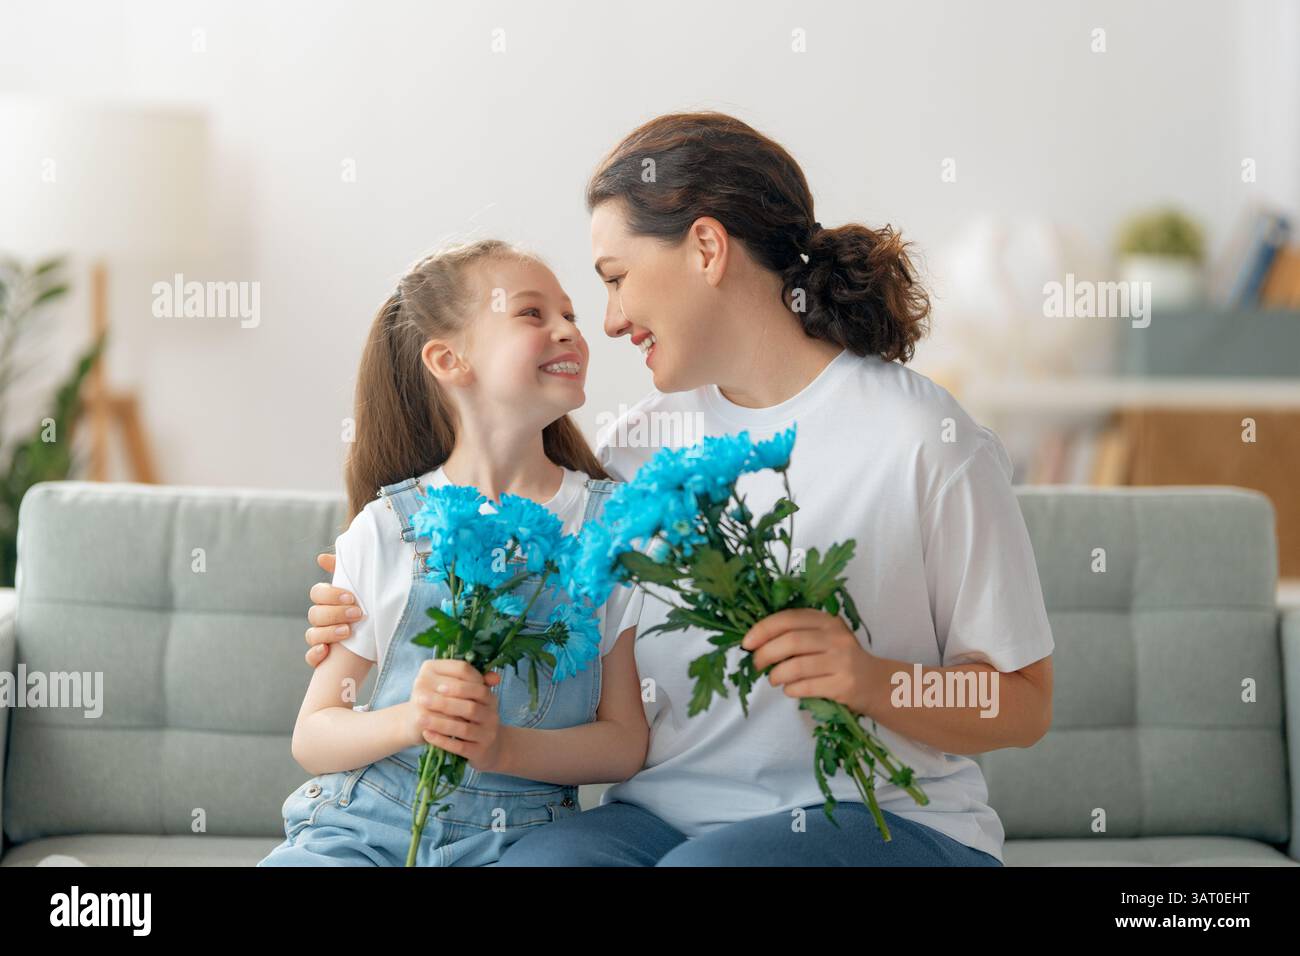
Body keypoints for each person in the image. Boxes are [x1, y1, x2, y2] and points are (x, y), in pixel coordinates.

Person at [307, 113, 1054, 866]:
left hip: (885, 819)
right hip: (655, 820)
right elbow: (514, 579)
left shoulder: (923, 440)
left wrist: (869, 680)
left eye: (615, 279)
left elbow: (1022, 704)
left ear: (705, 247)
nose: (609, 320)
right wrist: (369, 598)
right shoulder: (633, 452)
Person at [261, 240, 646, 865]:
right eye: (532, 314)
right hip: (361, 827)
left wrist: (502, 748)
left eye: (570, 315)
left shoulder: (609, 529)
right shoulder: (386, 528)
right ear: (448, 358)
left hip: (524, 838)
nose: (569, 331)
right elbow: (314, 734)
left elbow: (624, 741)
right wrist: (413, 719)